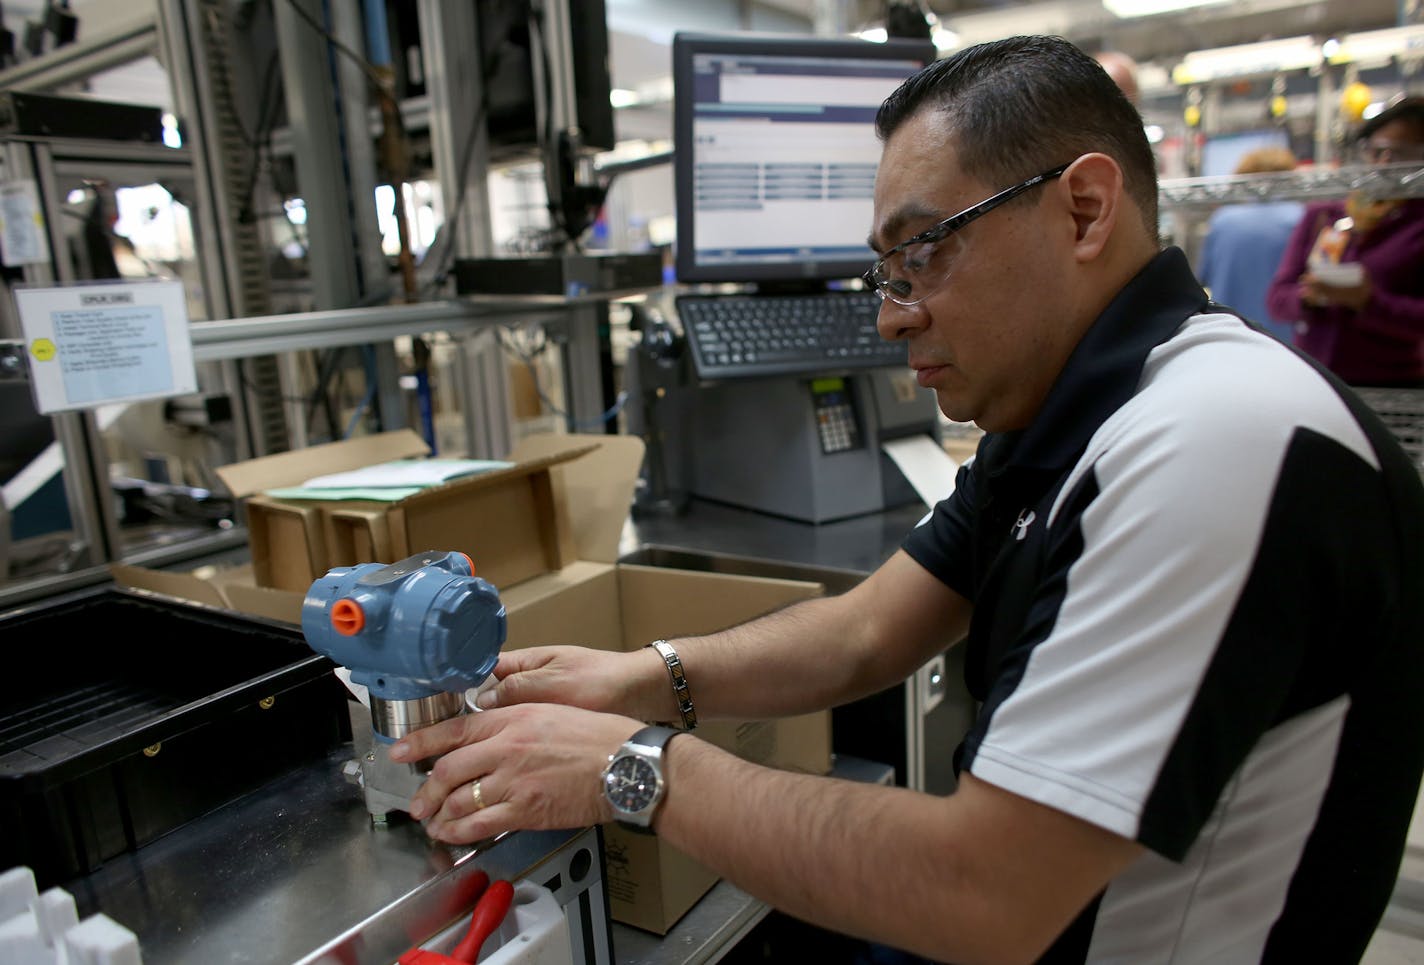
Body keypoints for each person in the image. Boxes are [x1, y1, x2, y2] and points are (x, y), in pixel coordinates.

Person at [390, 37, 1424, 964]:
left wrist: (634, 768)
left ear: (1083, 207)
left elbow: (985, 892)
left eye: (922, 251)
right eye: (882, 270)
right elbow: (865, 629)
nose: (891, 316)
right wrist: (641, 678)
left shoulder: (1216, 441)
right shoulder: (1067, 415)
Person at [1265, 96, 1424, 386]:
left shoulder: (1416, 224)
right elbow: (1277, 299)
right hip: (1314, 379)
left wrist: (1369, 302)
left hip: (1391, 386)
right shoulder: (1325, 215)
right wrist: (1308, 297)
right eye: (1376, 151)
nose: (1384, 162)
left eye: (1400, 153)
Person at [1194, 146, 1304, 342]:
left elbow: (1205, 277)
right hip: (1284, 338)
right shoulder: (1299, 218)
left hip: (1229, 332)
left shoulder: (1222, 220)